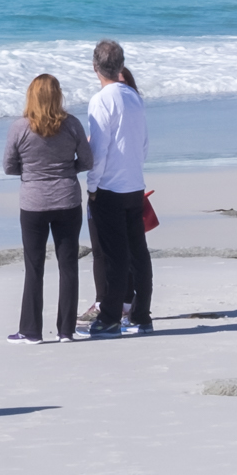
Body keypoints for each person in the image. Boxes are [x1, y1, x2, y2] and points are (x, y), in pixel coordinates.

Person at [3, 73, 94, 342]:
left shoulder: (19, 128)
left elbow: (9, 166)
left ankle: (31, 331)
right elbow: (87, 161)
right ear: (58, 95)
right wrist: (66, 170)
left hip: (33, 203)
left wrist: (31, 173)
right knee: (68, 266)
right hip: (66, 199)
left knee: (34, 267)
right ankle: (66, 330)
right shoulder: (72, 125)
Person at [84, 40, 152, 336]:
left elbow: (98, 150)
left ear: (95, 67)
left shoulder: (102, 99)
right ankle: (141, 315)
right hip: (134, 182)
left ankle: (110, 317)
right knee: (137, 251)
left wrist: (92, 185)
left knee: (114, 254)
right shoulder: (133, 97)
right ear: (121, 66)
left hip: (110, 186)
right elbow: (144, 143)